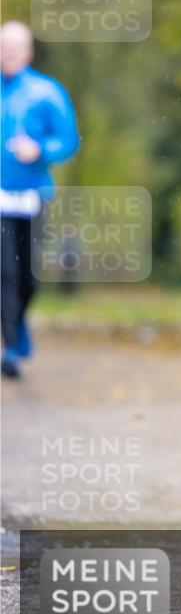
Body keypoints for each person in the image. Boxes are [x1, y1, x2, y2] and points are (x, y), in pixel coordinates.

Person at [1, 21, 80, 377]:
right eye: (3, 47)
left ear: (28, 52)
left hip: (33, 196)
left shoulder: (47, 92)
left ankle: (17, 325)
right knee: (5, 272)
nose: (8, 54)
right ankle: (11, 348)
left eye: (15, 48)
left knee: (28, 276)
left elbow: (68, 141)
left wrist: (40, 149)